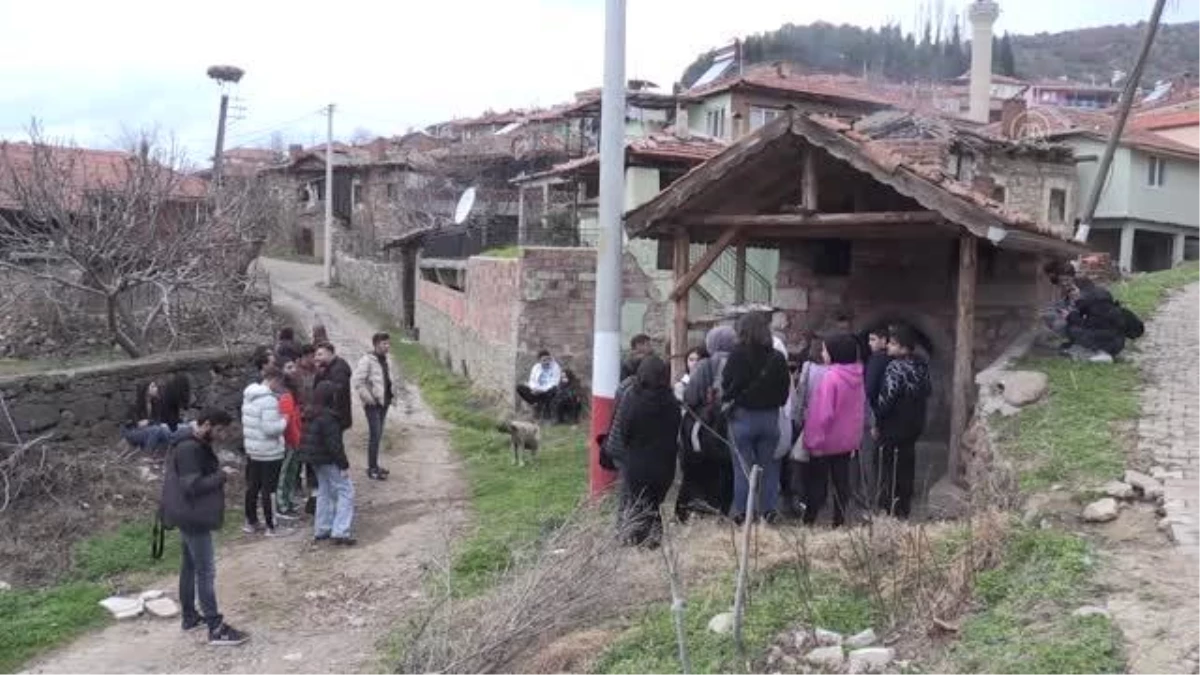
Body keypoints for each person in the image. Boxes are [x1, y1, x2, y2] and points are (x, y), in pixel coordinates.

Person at [159, 408, 249, 646]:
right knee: (205, 571)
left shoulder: (191, 442)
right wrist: (222, 476)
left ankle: (189, 617)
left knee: (189, 566)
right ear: (207, 424)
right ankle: (215, 627)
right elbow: (192, 485)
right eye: (219, 430)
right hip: (193, 516)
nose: (222, 435)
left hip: (187, 513)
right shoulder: (189, 448)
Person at [722, 313, 791, 524]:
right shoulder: (777, 358)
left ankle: (743, 513)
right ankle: (768, 512)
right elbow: (784, 392)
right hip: (769, 418)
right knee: (769, 467)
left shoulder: (737, 355)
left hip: (742, 416)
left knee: (742, 468)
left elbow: (727, 384)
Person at [611, 356, 681, 548]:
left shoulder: (632, 399)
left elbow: (624, 431)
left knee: (638, 502)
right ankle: (653, 541)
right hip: (664, 464)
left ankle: (636, 539)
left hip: (638, 462)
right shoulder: (672, 402)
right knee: (654, 503)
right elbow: (676, 430)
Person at [800, 335, 865, 527]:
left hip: (825, 441)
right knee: (842, 482)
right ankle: (839, 520)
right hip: (846, 441)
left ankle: (809, 520)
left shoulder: (831, 378)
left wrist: (813, 441)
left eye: (825, 350)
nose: (822, 353)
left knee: (817, 483)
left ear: (835, 353)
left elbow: (822, 413)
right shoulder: (857, 376)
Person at [873, 325, 932, 519]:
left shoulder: (895, 367)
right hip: (914, 423)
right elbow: (928, 390)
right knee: (907, 465)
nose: (888, 346)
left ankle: (888, 507)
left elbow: (886, 399)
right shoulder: (921, 364)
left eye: (893, 343)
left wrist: (877, 422)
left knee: (888, 465)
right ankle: (904, 507)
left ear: (904, 347)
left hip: (893, 425)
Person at [679, 328, 737, 522]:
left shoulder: (705, 365)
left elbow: (691, 396)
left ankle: (701, 508)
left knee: (703, 468)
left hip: (706, 427)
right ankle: (723, 511)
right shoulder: (741, 363)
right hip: (733, 426)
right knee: (727, 470)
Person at [298, 381, 356, 545]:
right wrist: (343, 465)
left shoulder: (310, 414)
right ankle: (341, 531)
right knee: (346, 490)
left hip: (314, 460)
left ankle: (322, 528)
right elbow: (334, 445)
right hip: (328, 459)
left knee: (324, 491)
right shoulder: (329, 418)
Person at [241, 365, 288, 536]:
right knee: (270, 490)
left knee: (253, 486)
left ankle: (251, 521)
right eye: (279, 383)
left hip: (253, 450)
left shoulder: (248, 397)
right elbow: (270, 429)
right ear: (273, 380)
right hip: (269, 452)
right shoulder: (268, 400)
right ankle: (272, 525)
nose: (279, 387)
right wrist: (284, 420)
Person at [352, 332, 397, 480]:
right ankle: (372, 468)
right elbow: (358, 381)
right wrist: (369, 398)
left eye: (388, 343)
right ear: (377, 344)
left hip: (384, 403)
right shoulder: (367, 360)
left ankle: (375, 465)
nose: (387, 346)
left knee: (378, 436)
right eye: (385, 344)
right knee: (375, 435)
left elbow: (388, 379)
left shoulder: (386, 360)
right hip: (373, 405)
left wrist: (392, 395)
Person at [1064, 278, 1128, 361]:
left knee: (1072, 329)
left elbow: (1089, 324)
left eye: (1072, 289)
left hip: (1109, 341)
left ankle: (1101, 354)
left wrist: (1070, 316)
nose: (1070, 293)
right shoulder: (1101, 294)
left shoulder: (1089, 300)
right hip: (1117, 339)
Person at [121, 380, 191, 453]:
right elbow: (135, 424)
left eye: (156, 386)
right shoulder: (135, 404)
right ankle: (147, 453)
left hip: (148, 429)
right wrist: (145, 423)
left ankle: (175, 448)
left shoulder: (156, 402)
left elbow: (160, 419)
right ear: (146, 390)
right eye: (153, 386)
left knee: (164, 430)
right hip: (132, 431)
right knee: (156, 430)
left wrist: (180, 422)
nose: (156, 388)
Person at [275, 369, 305, 520]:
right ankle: (282, 505)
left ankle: (288, 500)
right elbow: (289, 424)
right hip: (290, 443)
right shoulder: (286, 398)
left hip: (295, 441)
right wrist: (295, 441)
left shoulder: (292, 398)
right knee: (284, 474)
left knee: (291, 474)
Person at [314, 342, 353, 432]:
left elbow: (338, 393)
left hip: (336, 416)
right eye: (316, 355)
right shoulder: (328, 367)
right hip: (332, 415)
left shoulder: (339, 369)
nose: (316, 358)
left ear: (330, 353)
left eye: (320, 354)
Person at [516, 350, 562, 419]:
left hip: (547, 391)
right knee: (519, 387)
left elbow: (554, 382)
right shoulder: (536, 367)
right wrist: (534, 389)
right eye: (544, 360)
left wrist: (542, 390)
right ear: (539, 361)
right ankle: (535, 403)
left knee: (554, 389)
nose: (546, 362)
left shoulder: (555, 367)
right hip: (537, 392)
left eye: (548, 359)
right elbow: (532, 381)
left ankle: (540, 405)